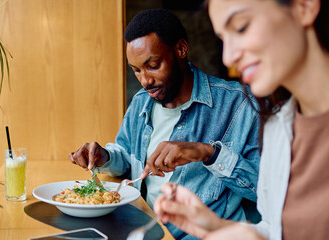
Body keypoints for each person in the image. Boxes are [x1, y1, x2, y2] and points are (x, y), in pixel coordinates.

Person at [69, 9, 261, 239]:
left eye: (153, 65)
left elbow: (265, 191)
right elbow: (127, 157)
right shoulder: (142, 101)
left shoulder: (240, 105)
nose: (145, 81)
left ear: (181, 49)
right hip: (145, 230)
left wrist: (208, 153)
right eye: (136, 70)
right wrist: (106, 157)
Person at [154, 0, 329, 239]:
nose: (228, 57)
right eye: (223, 39)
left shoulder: (242, 106)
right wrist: (214, 226)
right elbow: (275, 230)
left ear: (304, 6)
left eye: (241, 27)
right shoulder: (278, 125)